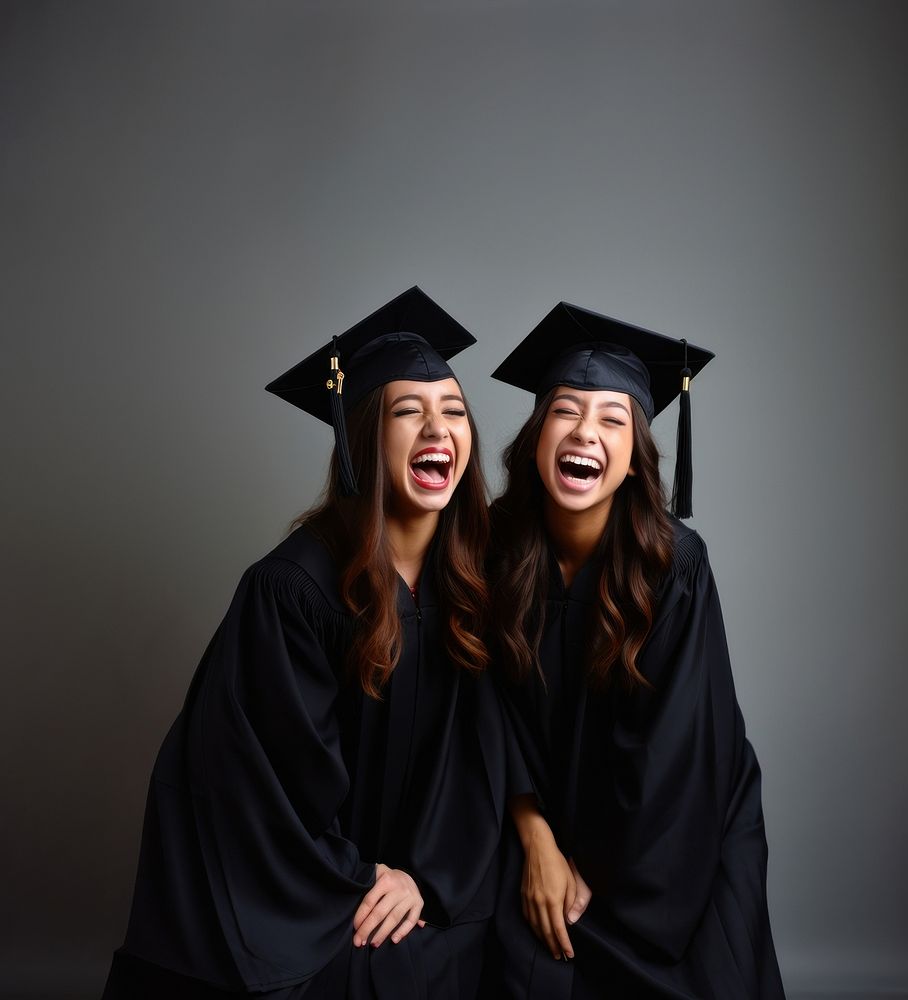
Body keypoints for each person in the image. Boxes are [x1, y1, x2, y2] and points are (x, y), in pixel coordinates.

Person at [102, 287, 506, 1000]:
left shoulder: (472, 582)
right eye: (407, 411)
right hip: (311, 890)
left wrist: (426, 876)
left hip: (427, 876)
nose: (437, 428)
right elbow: (259, 784)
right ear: (359, 438)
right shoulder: (293, 590)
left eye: (453, 411)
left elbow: (483, 759)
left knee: (522, 955)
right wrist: (359, 878)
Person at [486, 302, 784, 998]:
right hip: (535, 815)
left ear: (632, 460)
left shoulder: (673, 566)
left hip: (669, 841)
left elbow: (676, 757)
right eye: (564, 411)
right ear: (536, 435)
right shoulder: (492, 550)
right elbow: (479, 711)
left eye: (613, 419)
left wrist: (585, 869)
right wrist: (536, 841)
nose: (585, 431)